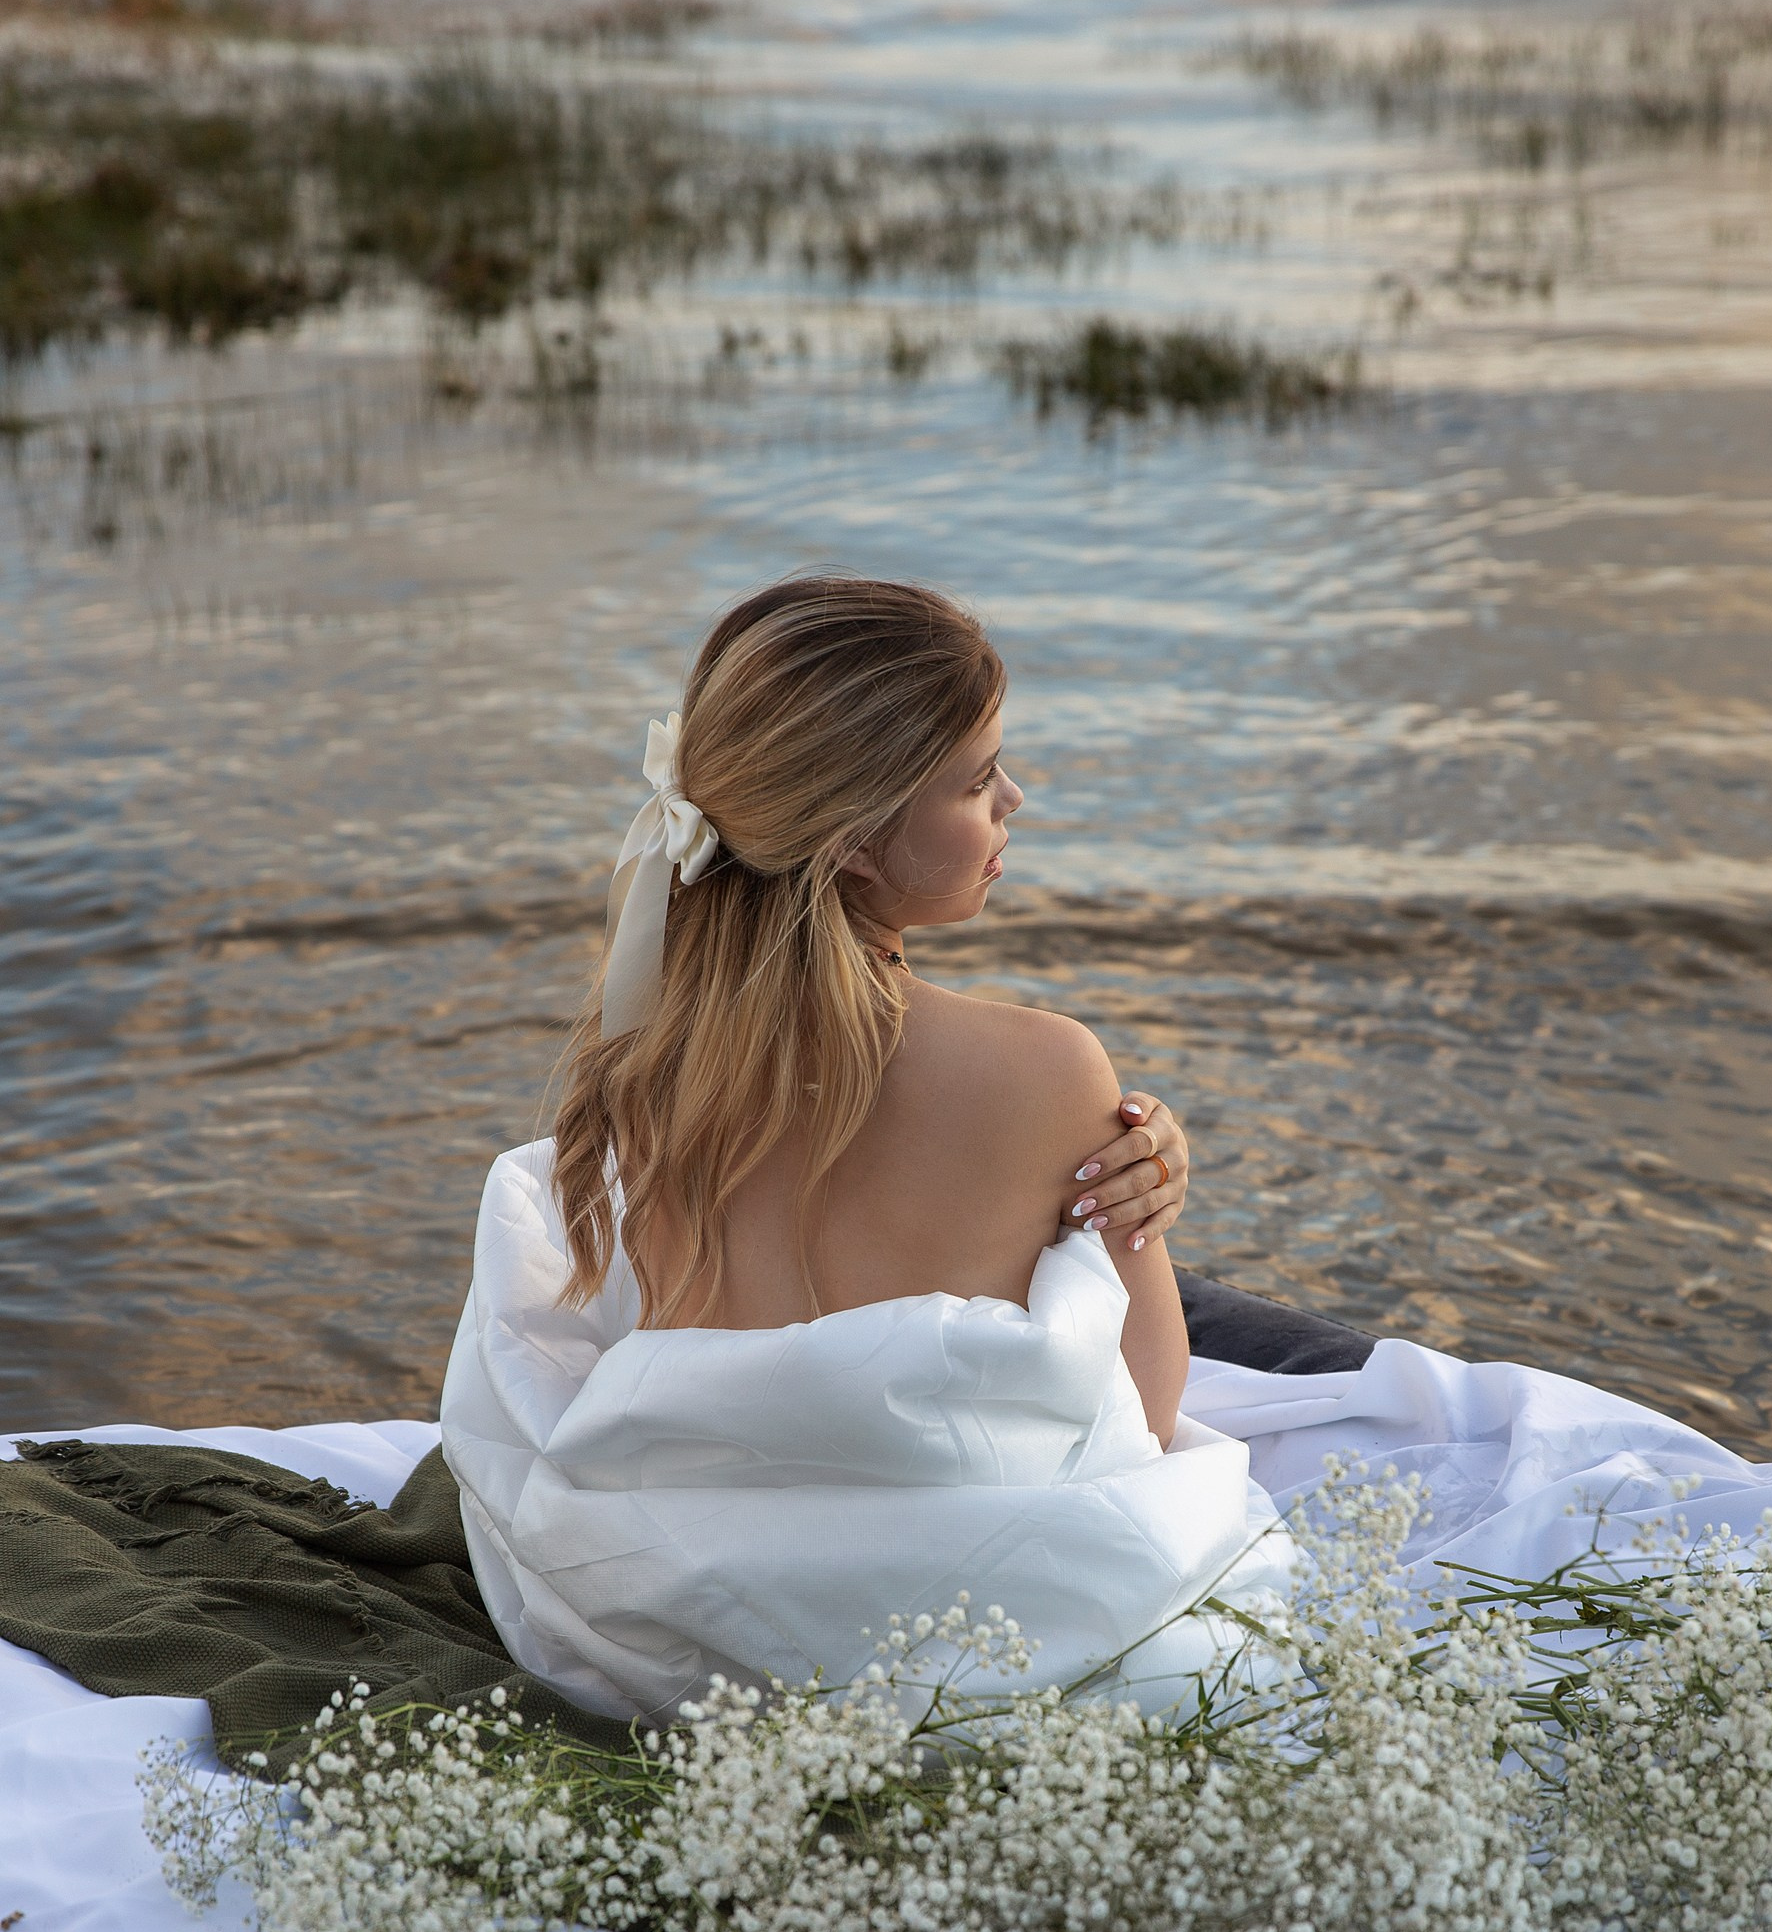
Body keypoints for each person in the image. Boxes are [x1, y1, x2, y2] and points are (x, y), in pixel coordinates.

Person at [440, 575, 1290, 1720]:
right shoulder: (1046, 1072)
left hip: (707, 1635)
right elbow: (1141, 1407)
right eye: (978, 778)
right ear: (849, 842)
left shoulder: (645, 1067)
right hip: (976, 1632)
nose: (1015, 801)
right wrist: (1140, 1211)